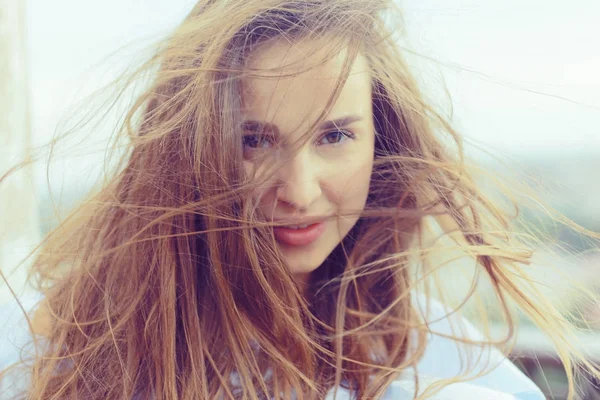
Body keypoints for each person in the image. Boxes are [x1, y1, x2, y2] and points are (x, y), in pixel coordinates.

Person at [0, 0, 597, 399]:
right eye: (253, 140)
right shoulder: (60, 341)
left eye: (334, 136)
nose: (299, 192)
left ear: (380, 139)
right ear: (187, 150)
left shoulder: (437, 355)